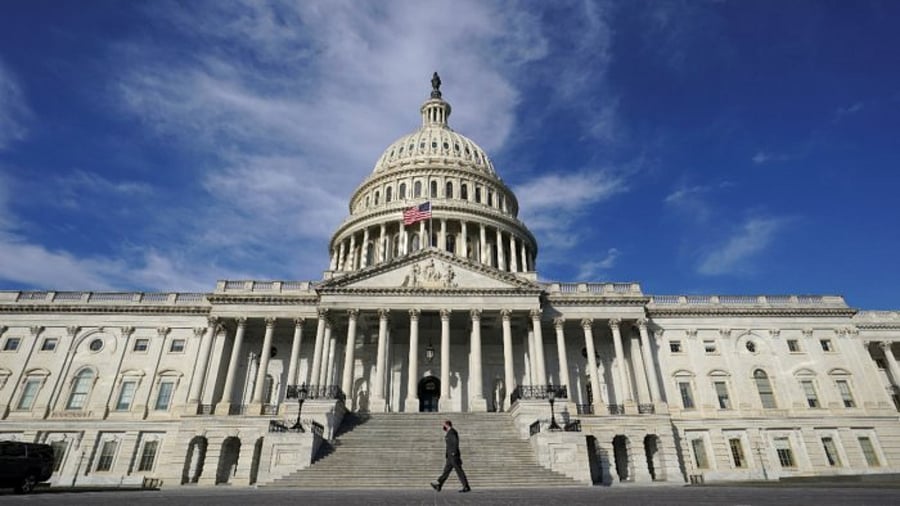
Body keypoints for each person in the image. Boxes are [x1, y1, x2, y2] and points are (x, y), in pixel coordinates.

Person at [431, 420, 471, 493]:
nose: (443, 427)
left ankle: (466, 487)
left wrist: (453, 452)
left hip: (453, 455)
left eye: (444, 425)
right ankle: (439, 485)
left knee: (459, 471)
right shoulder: (449, 432)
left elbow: (455, 442)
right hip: (450, 456)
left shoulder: (452, 432)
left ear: (447, 425)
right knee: (446, 471)